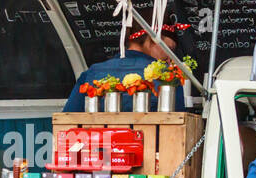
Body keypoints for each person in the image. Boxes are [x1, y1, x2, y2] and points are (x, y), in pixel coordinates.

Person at [62, 21, 193, 112]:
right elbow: (179, 125)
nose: (170, 58)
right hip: (152, 151)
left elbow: (68, 117)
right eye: (169, 49)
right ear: (154, 39)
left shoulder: (92, 73)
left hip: (100, 151)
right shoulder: (168, 79)